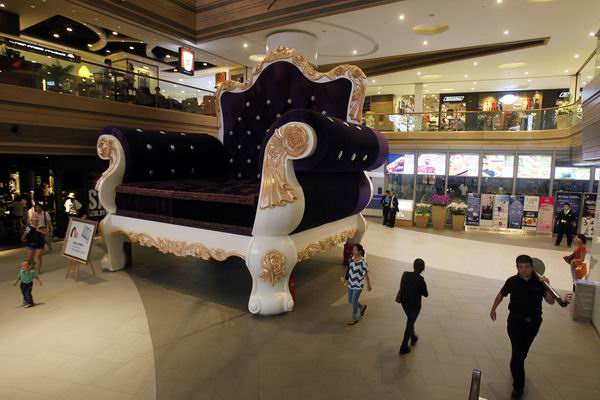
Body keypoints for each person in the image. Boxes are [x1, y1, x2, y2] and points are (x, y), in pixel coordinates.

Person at [490, 255, 556, 399]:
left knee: (521, 353)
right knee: (518, 354)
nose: (524, 270)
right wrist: (493, 308)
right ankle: (518, 387)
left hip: (533, 323)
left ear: (532, 267)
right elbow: (501, 295)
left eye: (526, 267)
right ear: (517, 267)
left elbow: (551, 302)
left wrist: (548, 285)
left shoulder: (540, 283)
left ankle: (516, 364)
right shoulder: (512, 281)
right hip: (515, 321)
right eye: (520, 267)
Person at [396, 258, 429, 355]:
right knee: (409, 323)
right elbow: (426, 294)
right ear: (422, 269)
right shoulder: (421, 280)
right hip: (414, 306)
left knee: (411, 320)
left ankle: (413, 337)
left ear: (413, 266)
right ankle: (403, 347)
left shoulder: (406, 274)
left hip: (404, 303)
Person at [345, 244, 372, 325]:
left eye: (355, 250)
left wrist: (369, 284)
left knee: (353, 302)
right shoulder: (351, 258)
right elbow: (350, 269)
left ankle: (354, 319)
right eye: (353, 250)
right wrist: (347, 279)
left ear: (360, 251)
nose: (353, 251)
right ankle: (362, 307)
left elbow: (366, 273)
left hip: (358, 284)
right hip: (351, 283)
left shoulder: (362, 261)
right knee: (350, 300)